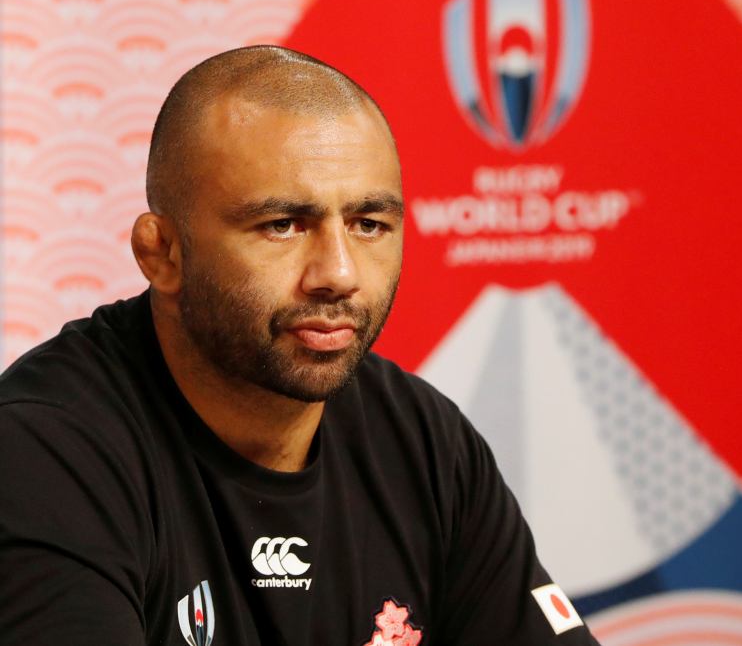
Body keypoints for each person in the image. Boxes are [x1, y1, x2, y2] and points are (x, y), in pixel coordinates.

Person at [0, 46, 599, 645]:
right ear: (162, 254)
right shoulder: (44, 455)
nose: (339, 273)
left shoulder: (423, 442)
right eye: (282, 225)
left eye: (369, 224)